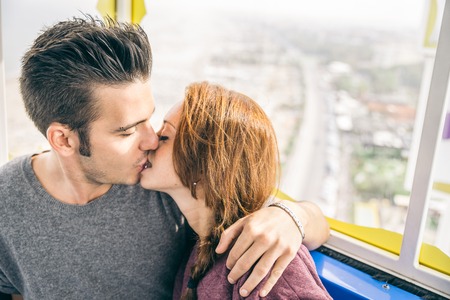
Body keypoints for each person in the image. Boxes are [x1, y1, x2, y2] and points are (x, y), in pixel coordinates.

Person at [0, 16, 329, 299]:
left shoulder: (164, 186)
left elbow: (265, 207)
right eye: (127, 131)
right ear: (64, 139)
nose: (151, 138)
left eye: (150, 119)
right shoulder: (7, 201)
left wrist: (291, 216)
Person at [141, 81, 332, 300]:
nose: (151, 142)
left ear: (204, 165)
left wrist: (295, 215)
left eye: (165, 136)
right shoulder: (200, 250)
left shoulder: (265, 264)